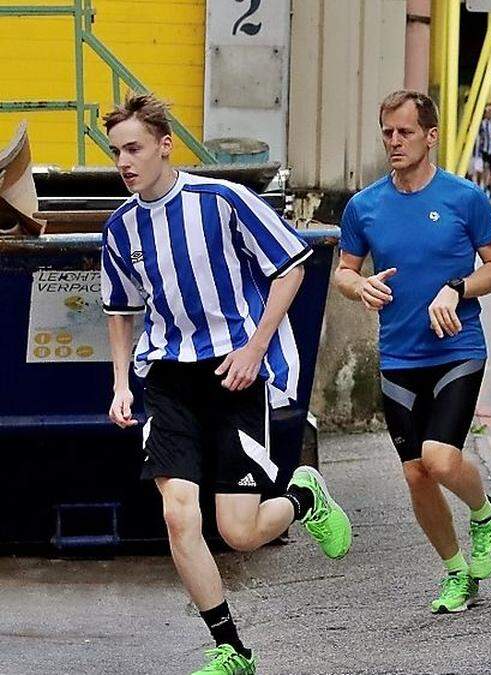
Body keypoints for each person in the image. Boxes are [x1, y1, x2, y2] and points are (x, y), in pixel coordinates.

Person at [100, 93, 352, 675]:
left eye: (134, 148)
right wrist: (121, 385)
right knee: (179, 515)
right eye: (117, 152)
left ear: (165, 145)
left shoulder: (224, 200)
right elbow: (119, 310)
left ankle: (302, 497)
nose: (125, 162)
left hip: (234, 373)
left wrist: (255, 345)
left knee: (238, 533)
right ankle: (231, 650)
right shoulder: (120, 228)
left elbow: (291, 265)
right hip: (167, 378)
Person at [333, 90, 491, 615]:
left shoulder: (464, 198)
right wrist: (357, 286)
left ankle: (484, 513)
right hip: (398, 356)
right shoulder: (363, 206)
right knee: (415, 473)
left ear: (430, 136)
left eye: (405, 132)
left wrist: (456, 287)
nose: (394, 141)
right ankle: (456, 572)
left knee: (438, 458)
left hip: (457, 348)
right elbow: (344, 271)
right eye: (387, 132)